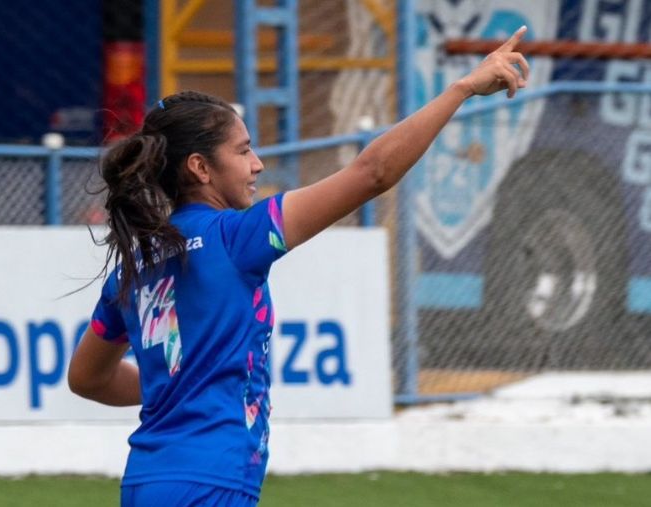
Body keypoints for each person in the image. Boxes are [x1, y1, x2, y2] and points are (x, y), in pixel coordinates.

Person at [68, 27, 530, 507]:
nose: (258, 164)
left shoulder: (136, 262)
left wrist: (183, 380)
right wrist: (460, 90)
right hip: (209, 484)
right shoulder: (237, 237)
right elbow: (372, 173)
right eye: (243, 150)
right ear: (200, 168)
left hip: (145, 482)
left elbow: (88, 378)